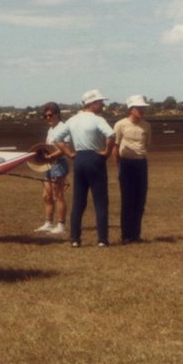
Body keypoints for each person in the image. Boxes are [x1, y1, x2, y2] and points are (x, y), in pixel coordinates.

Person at [52, 89, 115, 248]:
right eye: (100, 102)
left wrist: (69, 153)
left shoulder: (72, 120)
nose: (102, 105)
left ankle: (74, 239)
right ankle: (102, 239)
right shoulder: (97, 119)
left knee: (78, 201)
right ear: (92, 104)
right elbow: (111, 136)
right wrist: (106, 152)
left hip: (79, 159)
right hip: (95, 158)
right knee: (100, 201)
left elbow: (57, 139)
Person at [113, 94, 152, 244]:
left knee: (140, 200)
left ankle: (136, 234)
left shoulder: (147, 126)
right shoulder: (120, 125)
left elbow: (146, 145)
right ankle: (126, 235)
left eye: (143, 108)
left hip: (141, 164)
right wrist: (119, 168)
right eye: (139, 108)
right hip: (126, 164)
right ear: (131, 109)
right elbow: (115, 148)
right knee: (127, 201)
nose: (142, 110)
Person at [35, 102, 69, 236]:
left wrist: (50, 157)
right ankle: (48, 223)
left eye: (50, 115)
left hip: (59, 164)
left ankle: (61, 225)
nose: (47, 118)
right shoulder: (51, 129)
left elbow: (64, 149)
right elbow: (48, 147)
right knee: (46, 196)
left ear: (57, 114)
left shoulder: (63, 128)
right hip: (48, 164)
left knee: (58, 195)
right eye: (45, 116)